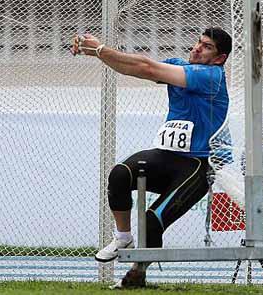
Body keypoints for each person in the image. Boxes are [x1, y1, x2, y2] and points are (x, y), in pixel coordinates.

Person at [71, 27, 232, 288]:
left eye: (207, 47)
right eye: (198, 43)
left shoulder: (211, 76)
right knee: (120, 173)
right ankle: (123, 237)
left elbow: (147, 67)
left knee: (152, 220)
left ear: (219, 58)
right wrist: (97, 53)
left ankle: (138, 274)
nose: (197, 48)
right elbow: (133, 68)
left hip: (198, 165)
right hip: (167, 156)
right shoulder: (180, 67)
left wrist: (99, 49)